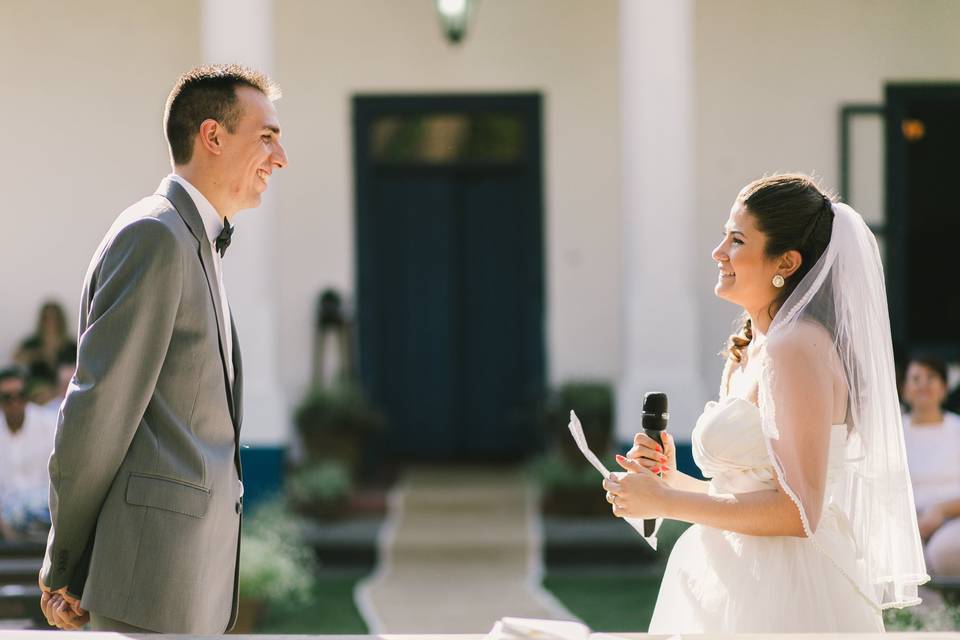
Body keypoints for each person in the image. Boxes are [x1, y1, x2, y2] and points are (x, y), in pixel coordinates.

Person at [603, 174, 928, 632]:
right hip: (736, 576)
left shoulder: (795, 349)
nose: (719, 253)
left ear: (786, 261)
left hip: (789, 590)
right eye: (724, 237)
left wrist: (670, 501)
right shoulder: (754, 344)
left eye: (737, 240)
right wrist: (667, 484)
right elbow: (754, 494)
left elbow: (798, 512)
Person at [38, 64, 288, 633]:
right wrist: (66, 562)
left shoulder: (193, 238)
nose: (281, 157)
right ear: (213, 136)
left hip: (187, 586)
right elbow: (98, 411)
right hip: (146, 589)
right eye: (267, 137)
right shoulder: (155, 235)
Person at [900, 354, 960, 576]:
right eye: (916, 378)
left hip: (953, 517)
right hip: (903, 519)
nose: (923, 385)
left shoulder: (957, 429)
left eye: (931, 378)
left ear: (944, 388)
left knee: (945, 552)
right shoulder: (893, 433)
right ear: (905, 389)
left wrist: (940, 510)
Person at [0, 366, 56, 541]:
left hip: (48, 517)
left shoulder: (49, 424)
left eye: (20, 395)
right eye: (7, 398)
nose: (15, 402)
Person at [14, 302, 76, 372]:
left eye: (55, 318)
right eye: (47, 318)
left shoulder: (71, 346)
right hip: (38, 380)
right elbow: (17, 357)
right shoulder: (34, 342)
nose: (51, 322)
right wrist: (39, 354)